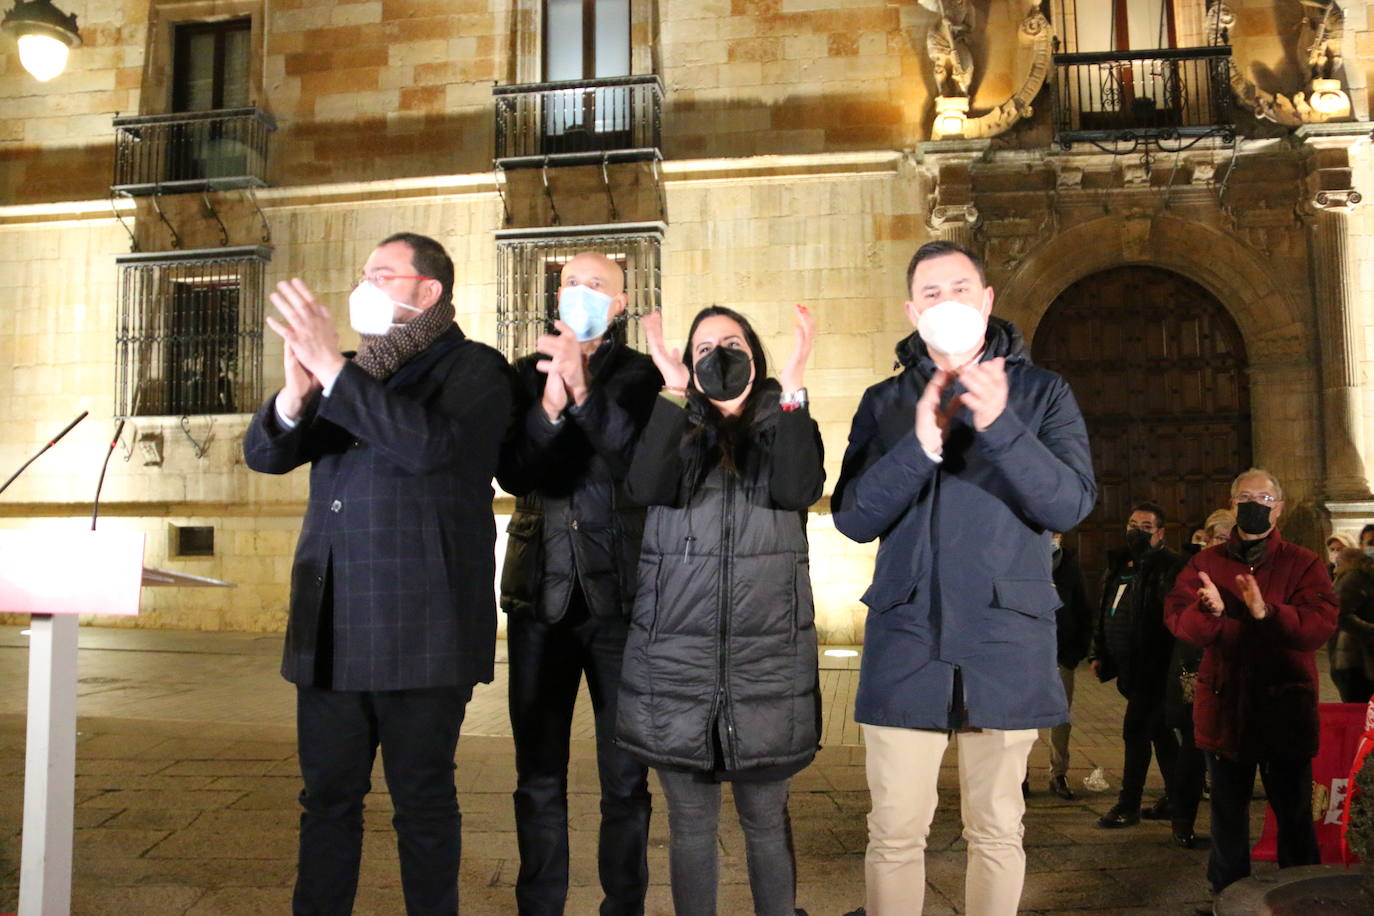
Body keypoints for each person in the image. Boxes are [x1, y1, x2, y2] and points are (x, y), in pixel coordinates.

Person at [243, 232, 515, 915]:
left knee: (422, 802)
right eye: (365, 274)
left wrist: (336, 378)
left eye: (385, 275)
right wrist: (296, 393)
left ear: (429, 291)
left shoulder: (475, 370)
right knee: (327, 800)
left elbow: (427, 447)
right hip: (331, 626)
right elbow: (267, 456)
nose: (366, 286)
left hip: (421, 631)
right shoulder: (351, 373)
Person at [831, 240, 1096, 916]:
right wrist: (919, 446)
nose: (946, 302)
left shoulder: (1043, 393)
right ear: (911, 311)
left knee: (998, 828)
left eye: (959, 289)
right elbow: (855, 517)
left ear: (985, 301)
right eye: (930, 293)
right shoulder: (886, 401)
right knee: (893, 832)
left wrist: (1001, 425)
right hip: (907, 634)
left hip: (1006, 636)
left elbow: (1068, 503)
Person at [616, 304, 824, 916]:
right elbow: (645, 487)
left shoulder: (785, 420)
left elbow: (797, 488)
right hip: (676, 662)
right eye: (703, 347)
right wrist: (675, 393)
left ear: (755, 354)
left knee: (765, 821)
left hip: (766, 663)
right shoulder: (672, 422)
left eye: (731, 343)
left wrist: (793, 383)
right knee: (690, 824)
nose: (718, 354)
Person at [497, 252, 658, 915]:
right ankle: (540, 906)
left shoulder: (640, 375)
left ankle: (623, 905)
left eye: (598, 285)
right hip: (541, 594)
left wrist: (582, 396)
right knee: (537, 776)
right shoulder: (521, 372)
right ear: (556, 295)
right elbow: (515, 472)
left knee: (626, 778)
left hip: (619, 597)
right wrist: (551, 408)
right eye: (572, 284)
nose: (583, 293)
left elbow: (629, 457)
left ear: (620, 304)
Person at [1164, 468, 1337, 902]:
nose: (1254, 504)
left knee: (1293, 814)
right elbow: (1178, 616)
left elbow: (1318, 626)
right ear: (1232, 502)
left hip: (1285, 709)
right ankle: (1227, 897)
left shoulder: (1304, 563)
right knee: (1226, 814)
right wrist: (1213, 615)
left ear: (1278, 508)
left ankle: (1301, 897)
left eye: (1263, 497)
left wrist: (1268, 613)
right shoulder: (1206, 562)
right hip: (1225, 706)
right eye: (1245, 496)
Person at [1089, 501, 1186, 828]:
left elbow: (1168, 616)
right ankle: (1176, 799)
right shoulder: (1120, 565)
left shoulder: (1170, 566)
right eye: (1133, 524)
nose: (1138, 532)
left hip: (1156, 666)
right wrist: (1099, 652)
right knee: (1159, 733)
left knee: (1135, 732)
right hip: (1129, 666)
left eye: (1146, 527)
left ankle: (1128, 804)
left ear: (1160, 533)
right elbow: (1107, 610)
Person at [1165, 508, 1233, 849]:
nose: (1227, 543)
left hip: (1233, 672)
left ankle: (1224, 830)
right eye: (1221, 537)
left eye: (1231, 537)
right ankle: (1183, 822)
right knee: (1193, 752)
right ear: (1207, 539)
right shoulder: (1193, 572)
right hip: (1196, 671)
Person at [1046, 532, 1093, 799]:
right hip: (1027, 655)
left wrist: (1075, 653)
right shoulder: (1022, 557)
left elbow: (1081, 609)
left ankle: (1058, 773)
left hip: (1061, 652)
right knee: (1023, 718)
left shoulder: (1069, 564)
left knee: (1061, 716)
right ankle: (1020, 775)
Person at [1329, 546, 1374, 704]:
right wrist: (1370, 632)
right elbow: (1339, 614)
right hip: (1354, 663)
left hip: (1362, 662)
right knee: (1360, 714)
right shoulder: (1356, 577)